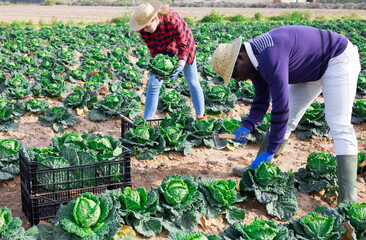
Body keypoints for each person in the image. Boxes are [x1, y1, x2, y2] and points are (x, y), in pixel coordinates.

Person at [211, 25, 360, 204]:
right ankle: (257, 170)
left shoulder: (269, 56)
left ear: (241, 57)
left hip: (338, 59)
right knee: (287, 121)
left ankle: (348, 201)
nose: (236, 79)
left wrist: (271, 150)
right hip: (312, 68)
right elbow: (261, 99)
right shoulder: (255, 63)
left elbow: (281, 105)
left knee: (339, 125)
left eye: (233, 73)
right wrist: (247, 125)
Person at [130, 1, 205, 120]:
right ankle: (147, 120)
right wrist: (159, 67)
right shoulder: (143, 30)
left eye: (147, 26)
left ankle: (201, 116)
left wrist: (180, 65)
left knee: (192, 81)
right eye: (142, 28)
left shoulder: (172, 20)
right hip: (163, 51)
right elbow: (153, 50)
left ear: (155, 18)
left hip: (185, 46)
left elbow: (183, 47)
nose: (145, 30)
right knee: (153, 84)